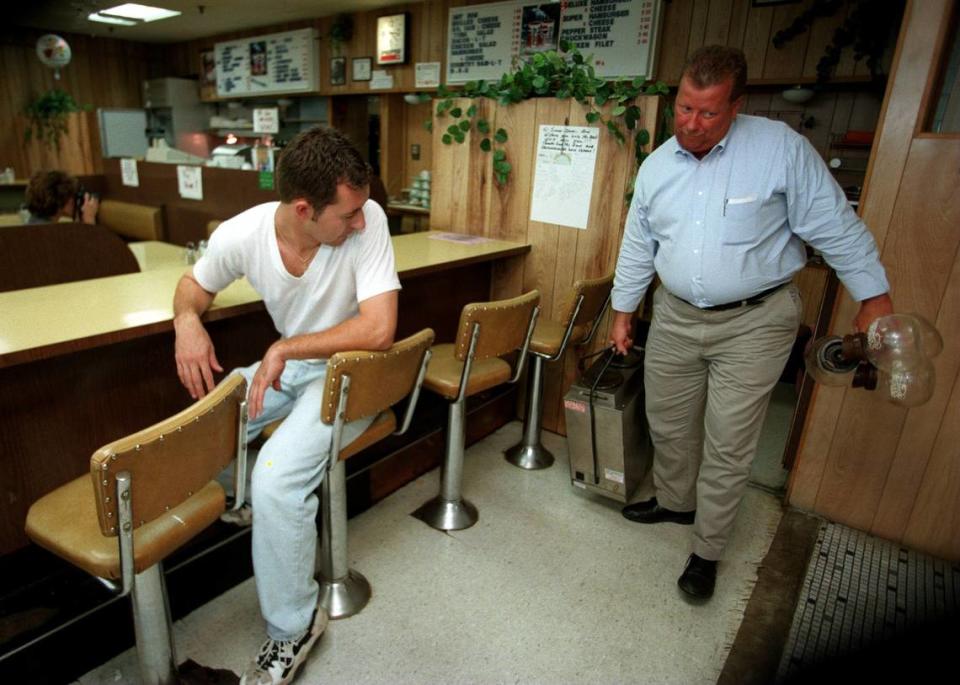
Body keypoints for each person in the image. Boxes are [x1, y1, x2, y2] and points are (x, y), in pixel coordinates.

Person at [610, 46, 893, 601]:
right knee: (667, 420)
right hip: (673, 316)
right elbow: (639, 243)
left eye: (708, 113)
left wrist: (874, 297)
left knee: (729, 442)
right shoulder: (658, 165)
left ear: (736, 105)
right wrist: (624, 310)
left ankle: (708, 549)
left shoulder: (781, 151)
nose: (691, 124)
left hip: (755, 321)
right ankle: (675, 502)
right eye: (684, 109)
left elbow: (836, 227)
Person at [173, 126, 400, 684]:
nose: (361, 222)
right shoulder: (242, 233)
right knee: (208, 420)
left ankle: (294, 626)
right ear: (303, 209)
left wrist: (284, 346)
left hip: (355, 374)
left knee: (277, 478)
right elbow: (192, 288)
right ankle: (250, 505)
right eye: (347, 214)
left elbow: (378, 329)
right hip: (296, 368)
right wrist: (185, 324)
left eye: (361, 209)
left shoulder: (368, 225)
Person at [24, 169, 98, 224]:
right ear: (59, 201)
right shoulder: (46, 232)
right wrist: (89, 221)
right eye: (71, 195)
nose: (73, 200)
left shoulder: (33, 224)